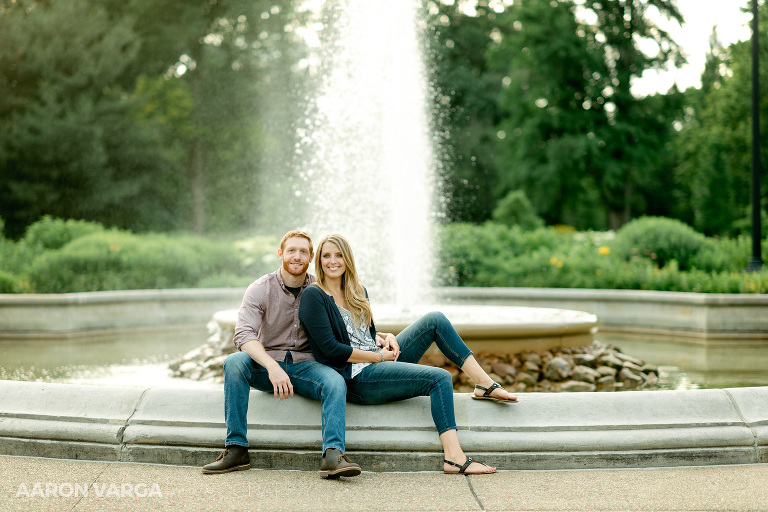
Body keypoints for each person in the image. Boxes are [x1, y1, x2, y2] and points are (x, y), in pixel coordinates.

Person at [299, 233, 517, 475]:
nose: (333, 261)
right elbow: (330, 349)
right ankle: (455, 458)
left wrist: (384, 337)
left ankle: (484, 383)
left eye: (339, 255)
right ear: (318, 260)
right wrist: (379, 357)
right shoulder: (313, 295)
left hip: (378, 362)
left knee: (435, 319)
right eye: (326, 255)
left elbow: (361, 333)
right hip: (357, 378)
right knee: (439, 378)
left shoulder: (358, 291)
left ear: (347, 259)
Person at [202, 230, 362, 478]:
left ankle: (333, 455)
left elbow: (349, 324)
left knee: (334, 381)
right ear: (280, 254)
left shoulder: (320, 289)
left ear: (311, 258)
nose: (297, 256)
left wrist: (381, 336)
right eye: (291, 250)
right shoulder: (260, 288)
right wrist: (271, 366)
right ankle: (236, 449)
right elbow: (244, 335)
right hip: (269, 364)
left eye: (303, 252)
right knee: (234, 363)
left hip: (308, 366)